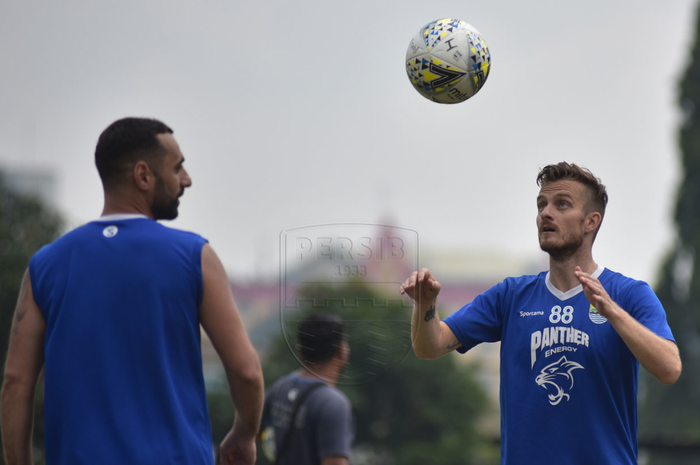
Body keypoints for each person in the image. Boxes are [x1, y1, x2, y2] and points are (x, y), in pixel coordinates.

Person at [1, 117, 264, 465]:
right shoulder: (194, 257)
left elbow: (16, 383)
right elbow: (246, 372)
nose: (187, 179)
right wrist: (244, 432)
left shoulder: (45, 266)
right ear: (143, 176)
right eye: (178, 167)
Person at [400, 162, 682, 464]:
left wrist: (612, 312)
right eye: (541, 205)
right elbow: (428, 347)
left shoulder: (629, 294)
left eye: (562, 205)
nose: (546, 213)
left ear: (590, 222)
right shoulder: (509, 296)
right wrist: (425, 305)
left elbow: (669, 369)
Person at [259, 313, 353, 465]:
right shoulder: (333, 403)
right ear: (341, 351)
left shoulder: (281, 386)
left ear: (299, 350)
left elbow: (253, 428)